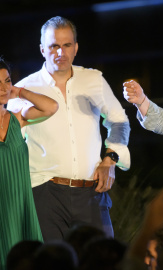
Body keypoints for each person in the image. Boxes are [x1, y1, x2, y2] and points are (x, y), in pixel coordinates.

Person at [8, 16, 130, 241]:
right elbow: (9, 143)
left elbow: (119, 120)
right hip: (45, 194)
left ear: (75, 48)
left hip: (92, 191)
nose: (60, 52)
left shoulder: (93, 79)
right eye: (54, 45)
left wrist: (110, 160)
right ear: (42, 49)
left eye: (66, 45)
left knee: (103, 260)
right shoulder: (24, 88)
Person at [0, 58, 58, 269]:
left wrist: (20, 92)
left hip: (21, 205)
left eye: (6, 81)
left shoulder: (17, 118)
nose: (3, 88)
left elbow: (51, 107)